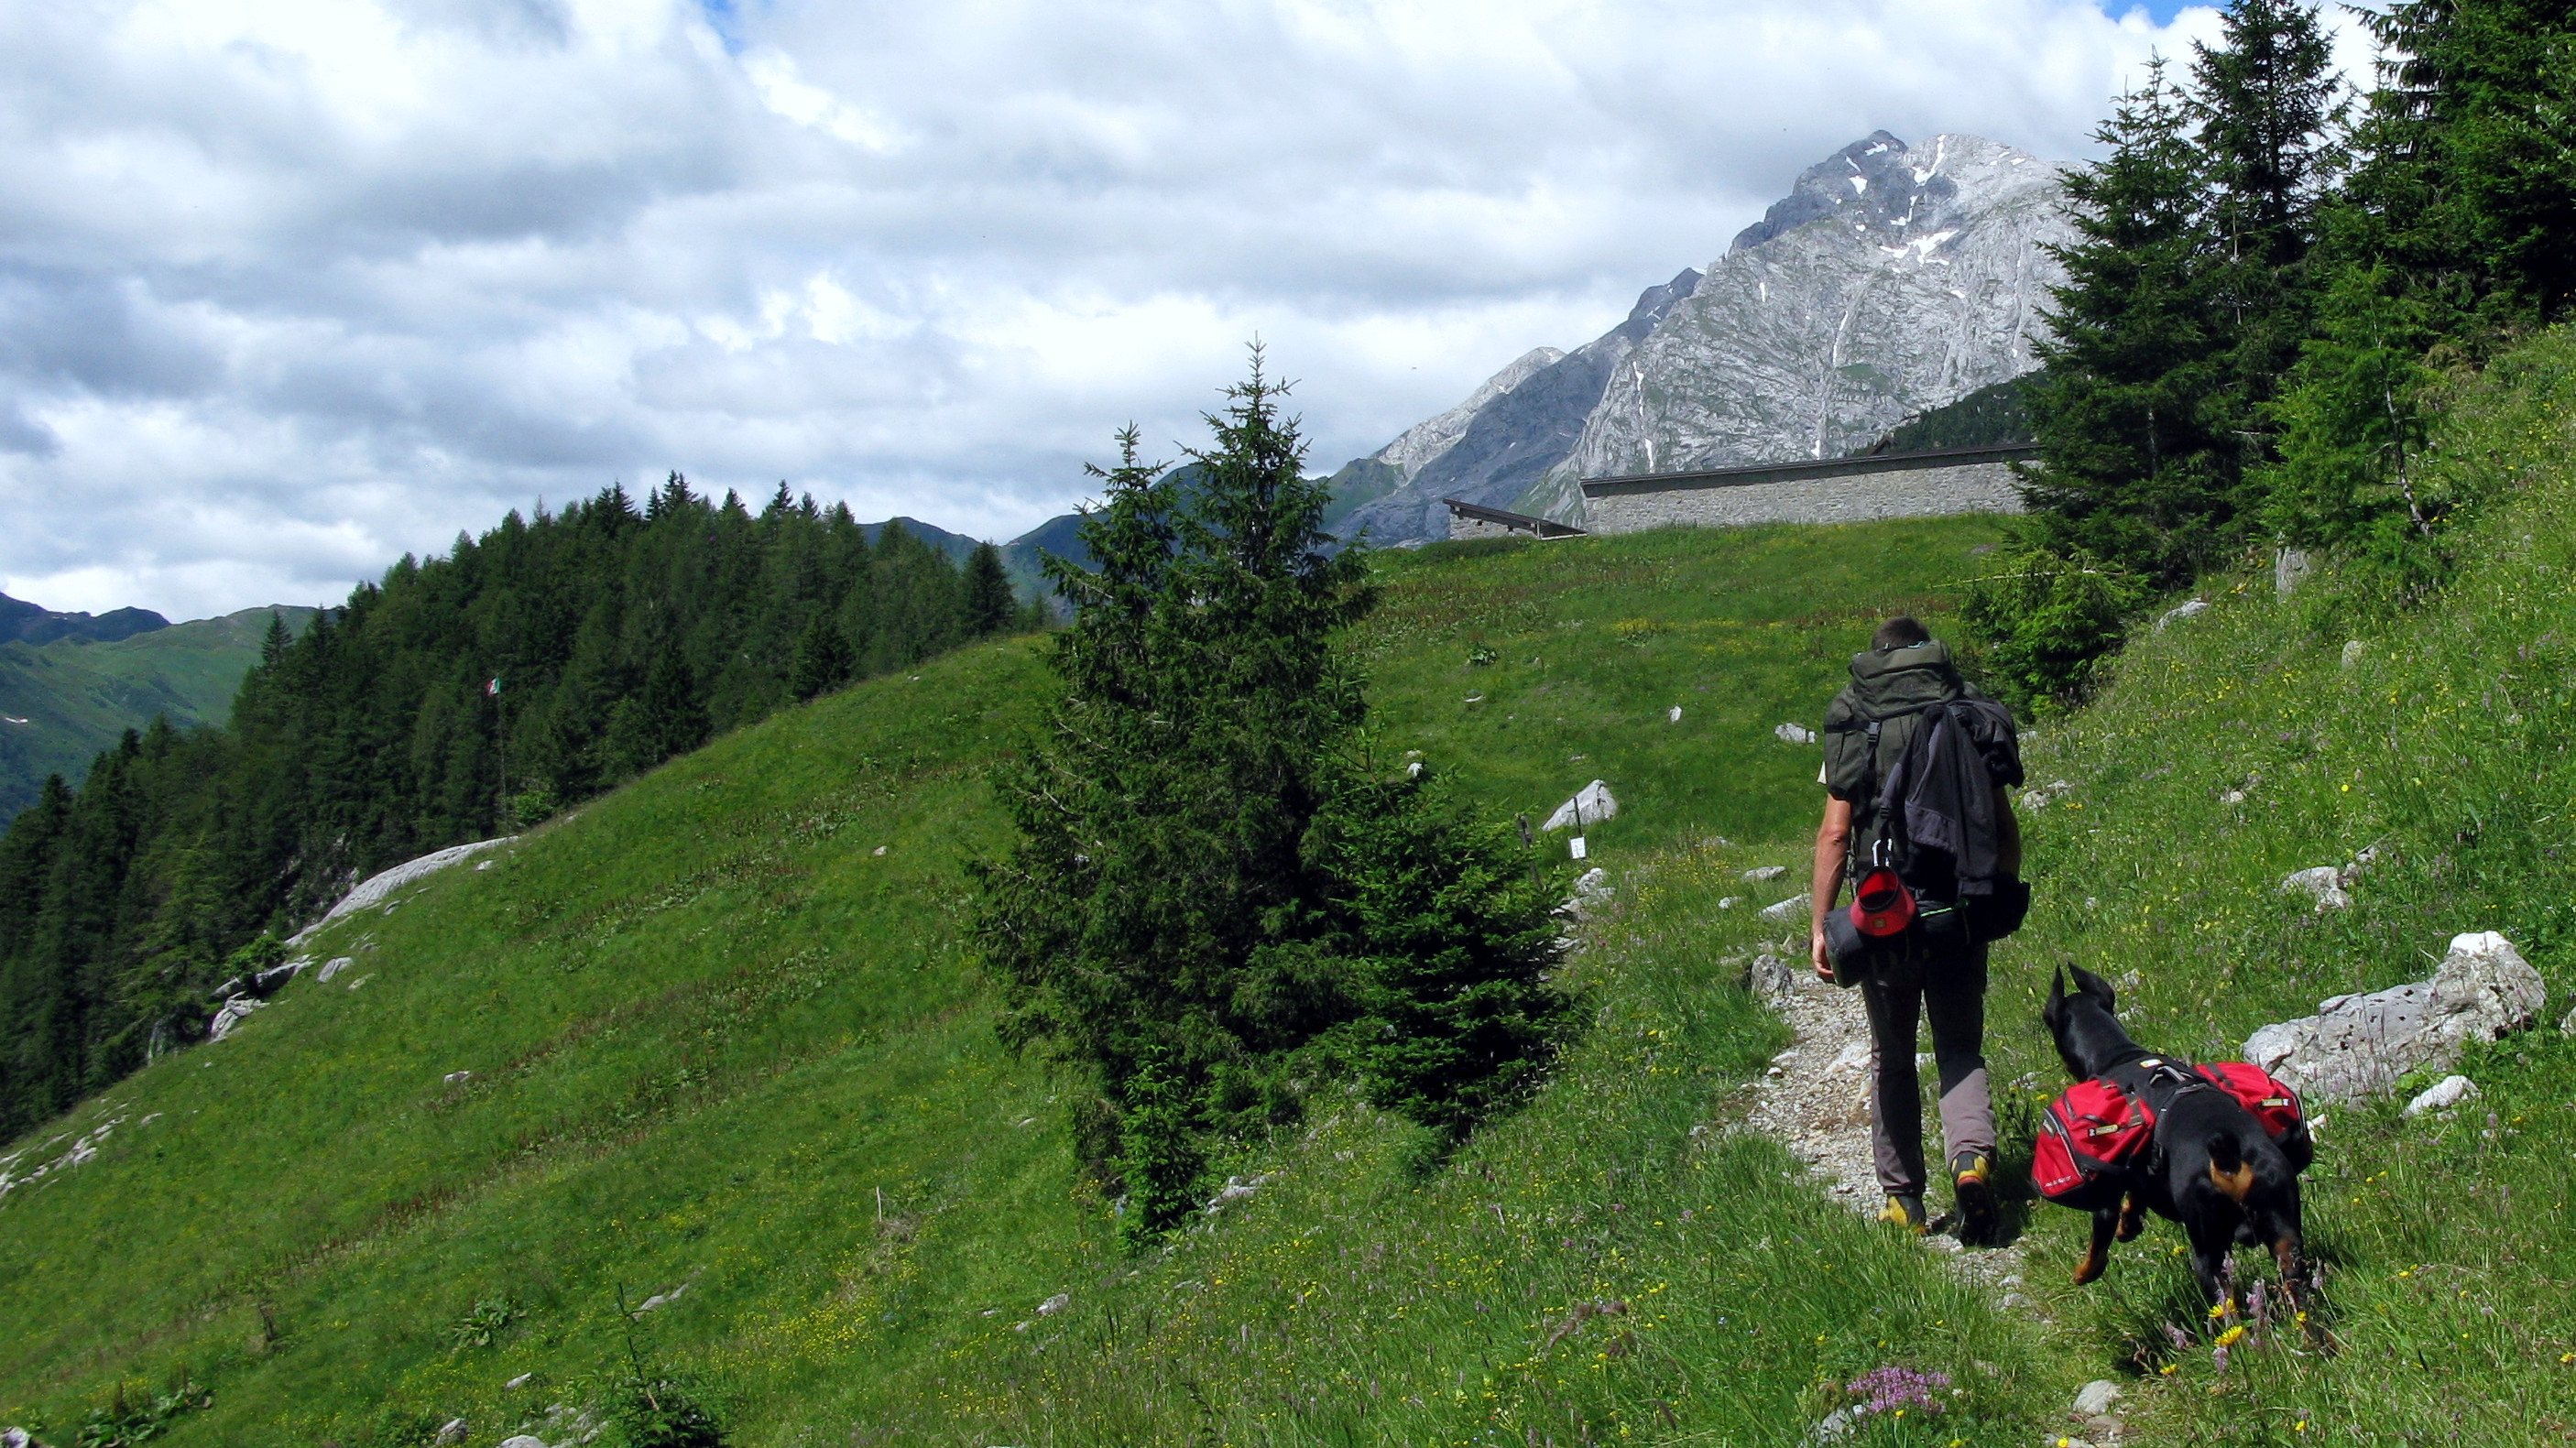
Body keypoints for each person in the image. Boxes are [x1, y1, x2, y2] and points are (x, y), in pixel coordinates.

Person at [1806, 615, 2022, 1240]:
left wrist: (1823, 923)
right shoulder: (1961, 705)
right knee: (1958, 1045)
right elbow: (2001, 825)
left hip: (1884, 914)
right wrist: (1996, 893)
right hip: (1959, 905)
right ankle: (1971, 1159)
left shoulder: (1858, 712)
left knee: (1893, 1056)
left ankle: (1904, 1200)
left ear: (1878, 658)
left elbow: (1836, 833)